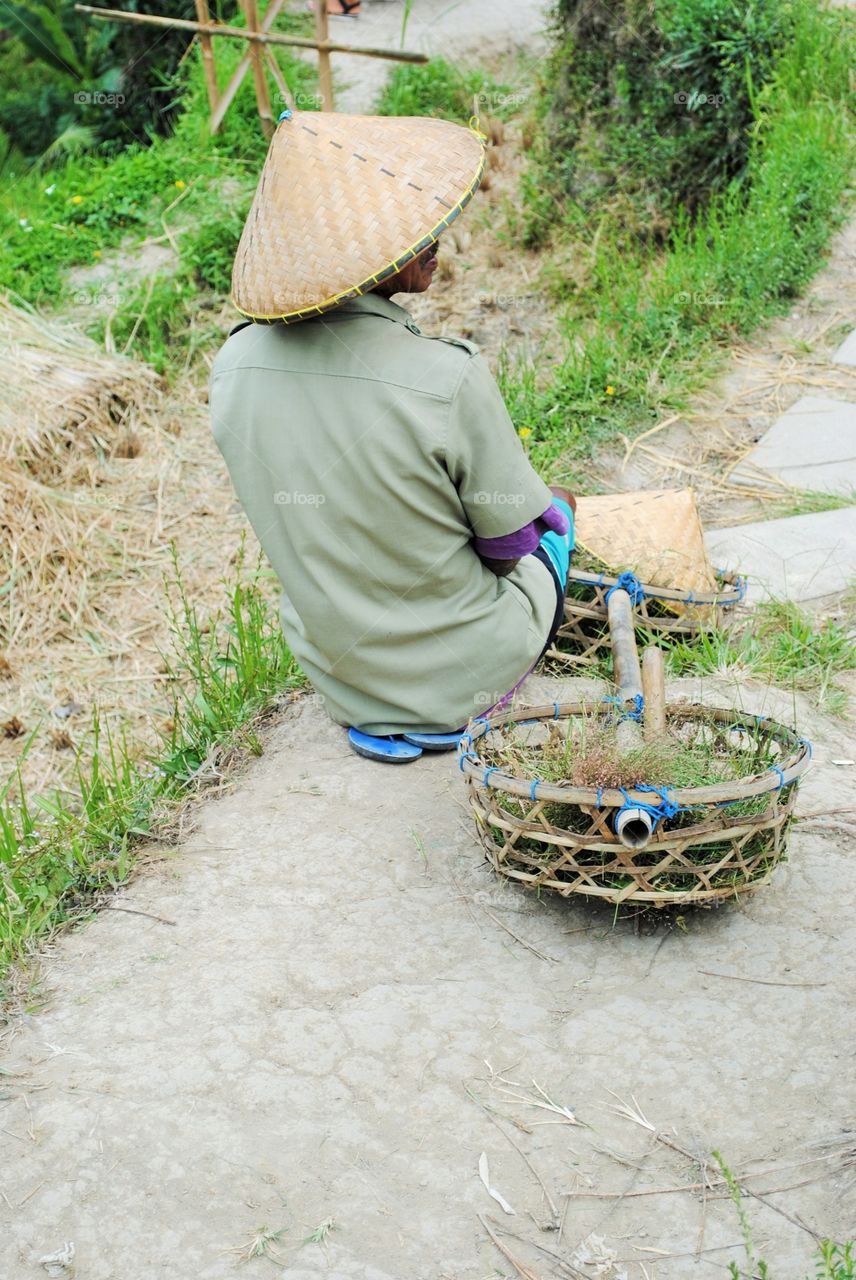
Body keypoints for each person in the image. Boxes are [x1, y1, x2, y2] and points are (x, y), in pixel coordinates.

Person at [210, 109, 575, 763]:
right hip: (464, 678)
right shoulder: (445, 377)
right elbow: (508, 545)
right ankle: (450, 702)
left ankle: (385, 715)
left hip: (342, 678)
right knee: (559, 515)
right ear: (355, 253)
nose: (437, 236)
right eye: (410, 228)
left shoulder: (232, 367)